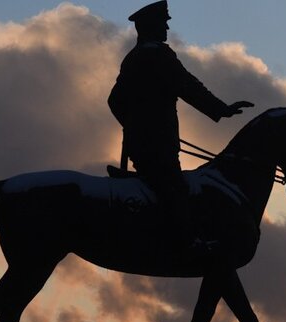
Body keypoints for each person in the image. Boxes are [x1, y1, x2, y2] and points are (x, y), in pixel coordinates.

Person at [108, 0, 253, 251]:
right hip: (157, 145)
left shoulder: (133, 58)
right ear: (152, 26)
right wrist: (221, 109)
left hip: (142, 143)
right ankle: (187, 242)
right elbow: (188, 86)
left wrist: (133, 126)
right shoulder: (158, 55)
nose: (166, 29)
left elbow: (114, 101)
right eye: (163, 24)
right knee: (174, 187)